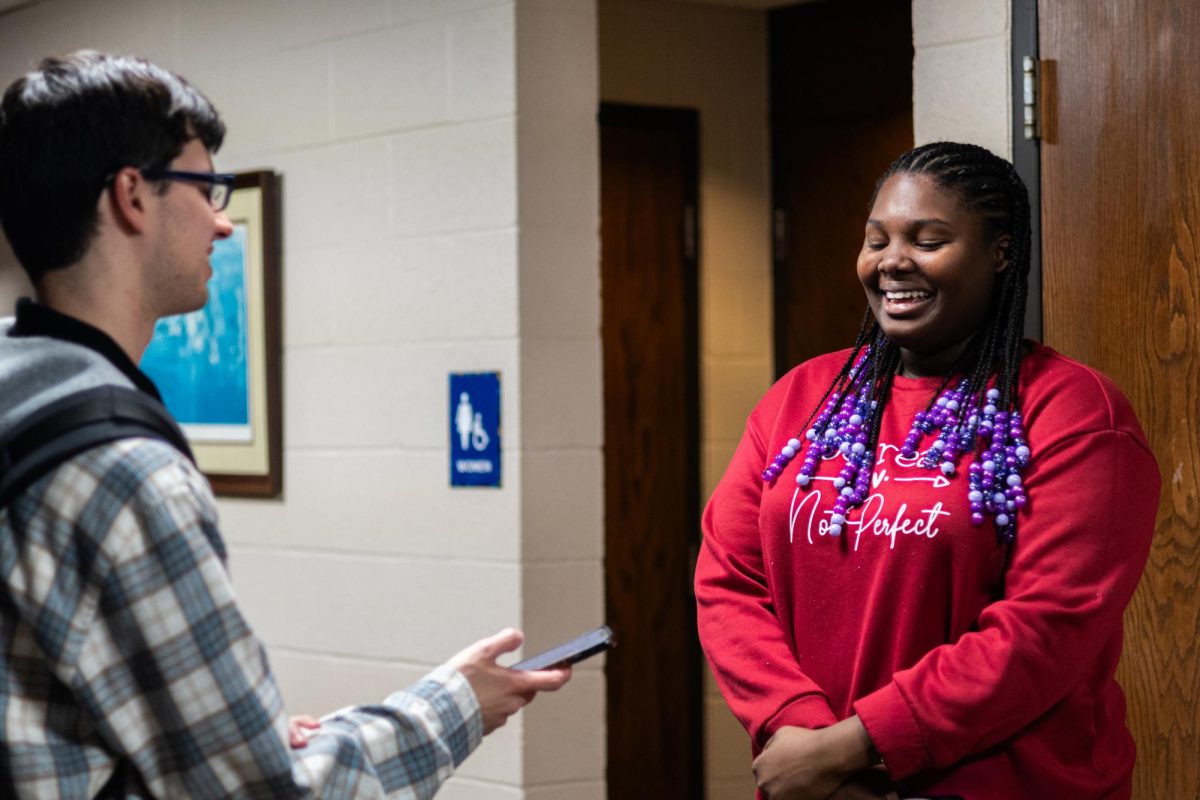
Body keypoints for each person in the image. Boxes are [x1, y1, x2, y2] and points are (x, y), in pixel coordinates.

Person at [0, 51, 569, 799]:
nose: (223, 223)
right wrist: (457, 704)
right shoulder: (123, 470)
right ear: (131, 196)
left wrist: (242, 733)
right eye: (207, 188)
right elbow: (265, 791)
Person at [695, 142, 1159, 799]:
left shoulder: (1074, 414)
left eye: (929, 238)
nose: (892, 261)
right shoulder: (803, 399)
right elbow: (728, 581)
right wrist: (804, 740)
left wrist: (858, 745)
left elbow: (1045, 629)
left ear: (999, 253)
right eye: (876, 238)